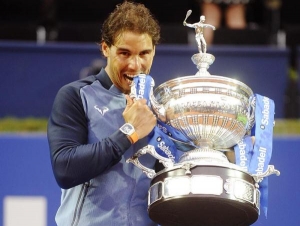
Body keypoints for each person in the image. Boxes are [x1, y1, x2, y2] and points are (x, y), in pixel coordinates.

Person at [47, 1, 160, 225]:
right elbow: (65, 169)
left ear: (154, 51)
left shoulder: (160, 108)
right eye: (124, 53)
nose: (135, 65)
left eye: (144, 53)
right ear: (105, 48)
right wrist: (130, 132)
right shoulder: (76, 95)